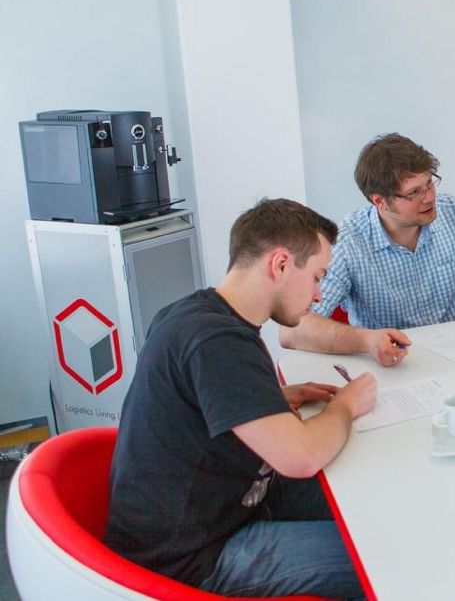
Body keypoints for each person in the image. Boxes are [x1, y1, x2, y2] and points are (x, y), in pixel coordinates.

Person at [106, 198, 377, 598]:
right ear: (281, 265)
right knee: (378, 555)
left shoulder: (191, 313)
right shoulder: (220, 342)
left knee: (367, 496)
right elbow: (299, 458)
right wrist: (346, 404)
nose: (319, 295)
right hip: (192, 556)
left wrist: (270, 396)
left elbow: (199, 400)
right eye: (317, 277)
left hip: (225, 503)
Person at [279, 133, 455, 366]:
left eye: (430, 183)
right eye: (414, 192)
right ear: (380, 202)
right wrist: (367, 340)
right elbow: (292, 332)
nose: (429, 197)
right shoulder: (348, 243)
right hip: (392, 363)